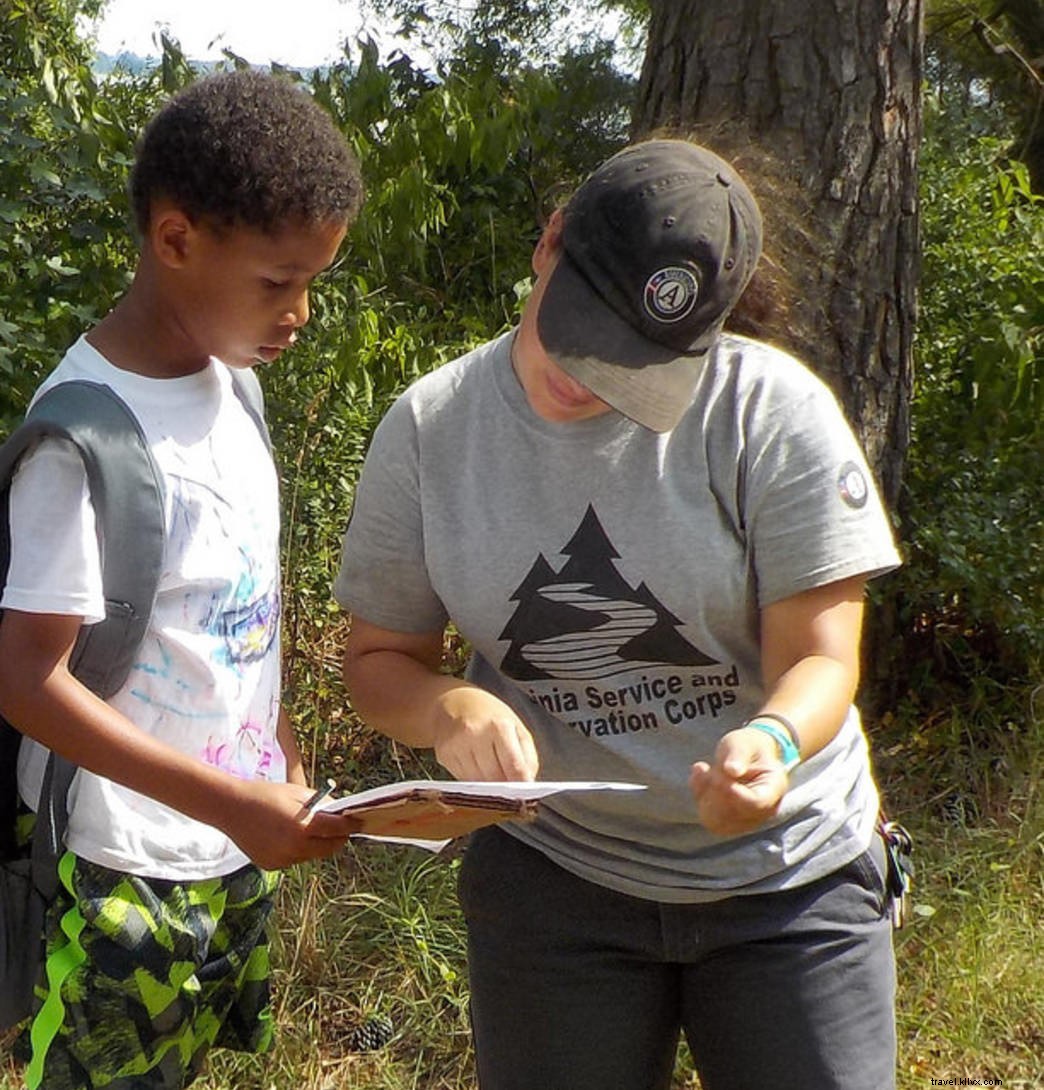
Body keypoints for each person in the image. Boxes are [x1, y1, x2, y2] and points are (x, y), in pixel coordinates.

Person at [334, 138, 903, 1090]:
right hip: (557, 883)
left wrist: (772, 740)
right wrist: (447, 710)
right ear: (547, 245)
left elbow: (822, 660)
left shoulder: (772, 413)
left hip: (788, 880)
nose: (587, 377)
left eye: (633, 360)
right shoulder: (432, 431)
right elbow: (378, 659)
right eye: (581, 327)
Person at [0, 69, 363, 1089]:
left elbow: (245, 601)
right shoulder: (83, 435)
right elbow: (28, 680)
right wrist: (227, 803)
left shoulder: (234, 383)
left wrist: (277, 762)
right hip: (118, 865)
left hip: (224, 842)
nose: (297, 314)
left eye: (312, 286)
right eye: (275, 282)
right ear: (175, 241)